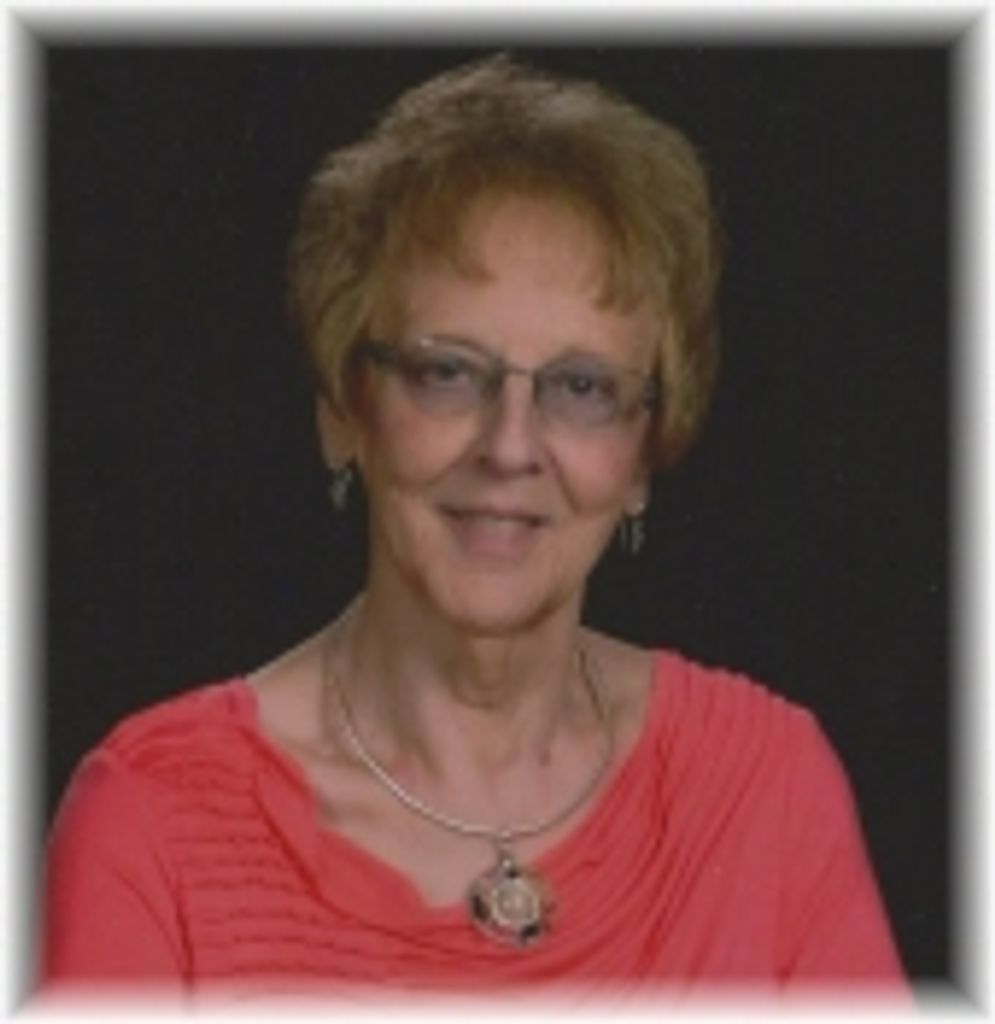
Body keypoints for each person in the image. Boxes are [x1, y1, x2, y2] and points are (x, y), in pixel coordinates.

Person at [39, 54, 908, 1006]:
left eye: (582, 388)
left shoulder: (766, 789)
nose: (509, 447)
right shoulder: (155, 825)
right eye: (447, 372)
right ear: (345, 409)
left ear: (642, 455)